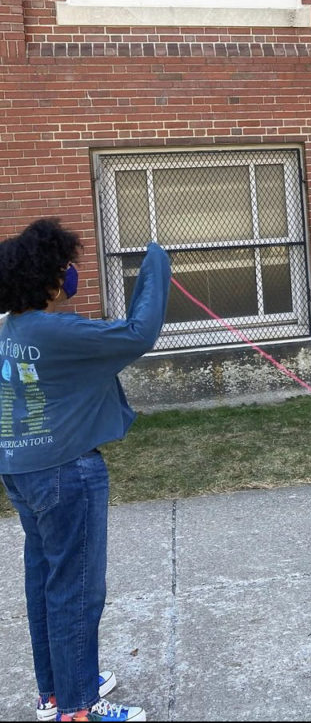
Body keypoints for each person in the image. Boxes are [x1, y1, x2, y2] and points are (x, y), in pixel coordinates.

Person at [0, 218, 170, 722]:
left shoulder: (13, 328)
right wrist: (156, 264)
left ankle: (57, 692)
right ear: (50, 278)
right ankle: (78, 707)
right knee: (75, 588)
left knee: (47, 581)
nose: (72, 274)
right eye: (65, 267)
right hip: (65, 474)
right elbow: (138, 334)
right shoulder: (59, 330)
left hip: (22, 470)